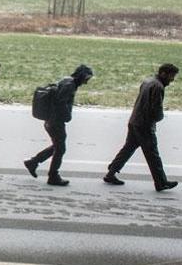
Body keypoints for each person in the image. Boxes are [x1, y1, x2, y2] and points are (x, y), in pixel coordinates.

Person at [104, 64, 179, 192]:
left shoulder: (148, 81)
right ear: (164, 74)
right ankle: (161, 182)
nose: (172, 80)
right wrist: (159, 118)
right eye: (172, 76)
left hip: (135, 121)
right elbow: (156, 109)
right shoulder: (158, 86)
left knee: (128, 148)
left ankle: (111, 173)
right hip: (144, 124)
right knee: (153, 154)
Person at [24, 65, 94, 186]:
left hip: (52, 120)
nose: (86, 82)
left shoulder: (67, 81)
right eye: (86, 78)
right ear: (81, 75)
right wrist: (68, 116)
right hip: (56, 121)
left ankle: (33, 162)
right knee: (60, 148)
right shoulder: (70, 85)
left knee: (58, 146)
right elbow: (60, 102)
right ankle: (53, 176)